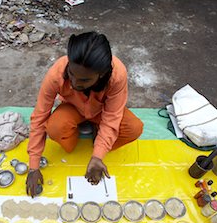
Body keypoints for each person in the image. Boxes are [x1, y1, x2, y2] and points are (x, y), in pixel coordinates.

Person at [26, 32, 144, 197]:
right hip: (72, 108)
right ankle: (78, 137)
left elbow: (112, 117)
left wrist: (98, 156)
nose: (74, 83)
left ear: (101, 75)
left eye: (84, 80)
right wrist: (33, 166)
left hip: (101, 111)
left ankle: (98, 135)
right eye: (72, 74)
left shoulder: (117, 75)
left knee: (134, 128)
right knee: (55, 128)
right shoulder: (56, 74)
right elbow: (39, 117)